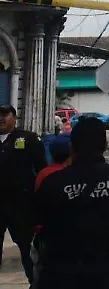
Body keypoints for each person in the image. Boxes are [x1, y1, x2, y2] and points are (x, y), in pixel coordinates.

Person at [32, 116, 109, 289]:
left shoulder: (53, 183)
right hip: (103, 267)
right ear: (104, 146)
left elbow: (38, 216)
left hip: (59, 268)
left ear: (72, 147)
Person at [0, 103, 46, 282]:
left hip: (21, 204)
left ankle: (36, 283)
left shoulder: (28, 139)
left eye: (5, 114)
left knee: (28, 249)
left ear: (14, 117)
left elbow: (42, 170)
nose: (1, 118)